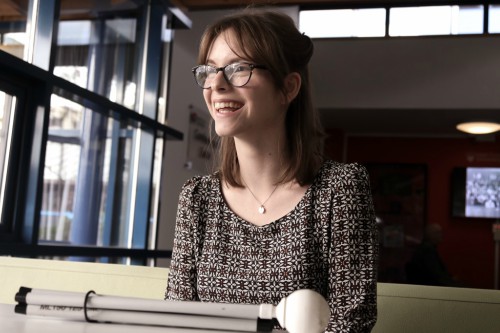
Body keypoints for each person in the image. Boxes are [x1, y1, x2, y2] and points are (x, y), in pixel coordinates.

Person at [165, 8, 378, 333]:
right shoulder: (197, 199)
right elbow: (178, 321)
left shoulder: (339, 190)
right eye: (209, 70)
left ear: (288, 88)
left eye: (238, 69)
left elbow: (351, 325)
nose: (216, 85)